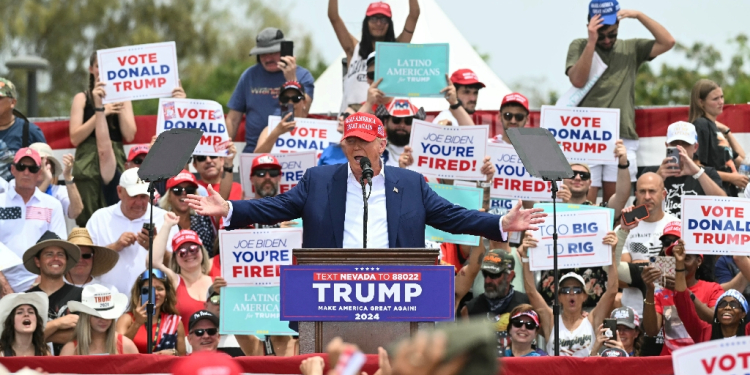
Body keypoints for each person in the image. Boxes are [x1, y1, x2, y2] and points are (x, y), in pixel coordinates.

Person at [186, 113, 547, 249]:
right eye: (350, 140)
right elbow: (275, 206)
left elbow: (455, 217)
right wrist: (229, 207)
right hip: (330, 294)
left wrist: (501, 223)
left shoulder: (411, 184)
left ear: (381, 144)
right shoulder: (319, 180)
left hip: (396, 296)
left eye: (363, 141)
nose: (356, 146)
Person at [566, 1, 675, 204]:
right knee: (581, 203)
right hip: (587, 137)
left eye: (612, 34)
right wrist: (591, 42)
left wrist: (639, 15)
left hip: (622, 137)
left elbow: (668, 42)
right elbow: (577, 80)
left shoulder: (630, 48)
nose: (607, 40)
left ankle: (612, 237)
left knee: (615, 206)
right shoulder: (580, 45)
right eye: (602, 34)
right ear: (590, 26)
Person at [518, 231, 619, 357]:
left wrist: (612, 253)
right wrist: (525, 257)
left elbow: (612, 291)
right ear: (559, 297)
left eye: (577, 290)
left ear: (584, 296)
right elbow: (531, 292)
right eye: (565, 290)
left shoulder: (592, 320)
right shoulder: (551, 320)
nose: (571, 294)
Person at [69, 53, 136, 226]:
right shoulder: (82, 98)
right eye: (99, 66)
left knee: (116, 203)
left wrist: (118, 99)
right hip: (88, 161)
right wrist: (102, 111)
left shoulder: (124, 98)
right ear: (91, 69)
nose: (103, 70)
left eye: (109, 66)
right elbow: (75, 137)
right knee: (87, 216)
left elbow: (129, 134)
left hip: (114, 157)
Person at [226, 28, 315, 153]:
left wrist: (292, 80)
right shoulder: (249, 75)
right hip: (253, 152)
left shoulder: (303, 76)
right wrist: (223, 151)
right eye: (263, 54)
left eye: (272, 53)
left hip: (289, 149)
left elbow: (303, 114)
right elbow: (233, 119)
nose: (268, 59)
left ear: (284, 51)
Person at [86, 168, 167, 295]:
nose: (139, 202)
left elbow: (176, 265)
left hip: (150, 300)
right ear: (119, 191)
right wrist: (114, 247)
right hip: (107, 300)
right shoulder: (99, 218)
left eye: (144, 196)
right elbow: (85, 261)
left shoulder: (164, 219)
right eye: (134, 196)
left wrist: (155, 247)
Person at [329, 0, 419, 111]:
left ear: (390, 24)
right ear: (366, 22)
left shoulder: (396, 49)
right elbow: (333, 17)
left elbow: (414, 15)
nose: (378, 23)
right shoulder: (354, 49)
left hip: (383, 120)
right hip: (351, 120)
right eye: (374, 18)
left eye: (383, 19)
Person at [0, 148, 66, 292]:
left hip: (41, 285)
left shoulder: (53, 205)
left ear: (39, 173)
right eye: (21, 167)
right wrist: (3, 285)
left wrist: (38, 285)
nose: (26, 172)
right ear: (13, 170)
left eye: (32, 168)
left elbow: (58, 246)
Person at [671, 241, 750, 342]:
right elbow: (683, 302)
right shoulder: (702, 332)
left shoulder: (748, 333)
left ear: (743, 313)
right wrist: (679, 263)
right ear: (716, 312)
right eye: (722, 304)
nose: (727, 307)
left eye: (734, 304)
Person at [647, 121, 725, 218]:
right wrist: (657, 179)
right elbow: (639, 210)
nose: (680, 148)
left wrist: (698, 173)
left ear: (695, 147)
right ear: (667, 146)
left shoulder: (708, 173)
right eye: (675, 143)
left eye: (685, 144)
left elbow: (724, 206)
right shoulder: (650, 174)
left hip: (695, 231)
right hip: (663, 232)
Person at [23, 231, 82, 355]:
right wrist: (58, 323)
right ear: (37, 261)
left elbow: (87, 334)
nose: (56, 258)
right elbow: (16, 338)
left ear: (66, 261)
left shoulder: (82, 295)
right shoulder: (23, 299)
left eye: (60, 254)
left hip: (73, 368)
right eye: (49, 254)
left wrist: (36, 335)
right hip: (36, 369)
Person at [689, 79, 748, 196]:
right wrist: (731, 177)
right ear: (701, 102)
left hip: (729, 194)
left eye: (722, 97)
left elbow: (743, 161)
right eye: (715, 99)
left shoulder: (715, 128)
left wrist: (727, 131)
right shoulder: (701, 125)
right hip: (714, 196)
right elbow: (695, 167)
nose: (721, 102)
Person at [152, 221, 214, 332]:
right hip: (183, 347)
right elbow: (153, 263)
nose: (189, 254)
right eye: (182, 252)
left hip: (215, 345)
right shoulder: (174, 280)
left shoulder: (216, 282)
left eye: (193, 249)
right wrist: (166, 225)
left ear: (202, 251)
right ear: (175, 257)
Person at [116, 269, 185, 355]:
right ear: (139, 293)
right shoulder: (126, 319)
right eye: (149, 289)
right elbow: (117, 350)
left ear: (167, 293)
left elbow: (182, 358)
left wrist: (174, 353)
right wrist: (137, 323)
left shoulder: (175, 322)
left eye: (160, 289)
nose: (155, 293)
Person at [60, 284, 138, 355]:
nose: (103, 320)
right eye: (97, 316)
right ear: (86, 317)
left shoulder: (126, 345)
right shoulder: (70, 350)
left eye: (108, 315)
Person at [621, 173, 679, 263]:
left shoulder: (678, 225)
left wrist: (637, 262)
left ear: (663, 194)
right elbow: (623, 270)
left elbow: (680, 264)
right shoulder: (624, 228)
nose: (647, 197)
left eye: (652, 191)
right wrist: (662, 262)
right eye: (642, 191)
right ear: (636, 195)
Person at [0, 78, 47, 182]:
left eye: (0, 98)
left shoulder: (30, 131)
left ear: (13, 102)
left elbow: (46, 170)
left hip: (19, 196)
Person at [158, 171, 215, 256]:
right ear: (169, 196)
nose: (184, 193)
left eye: (189, 190)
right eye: (178, 190)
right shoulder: (161, 221)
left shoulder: (204, 219)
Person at [29, 142, 83, 220]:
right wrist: (47, 181)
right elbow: (28, 208)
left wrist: (67, 176)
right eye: (36, 163)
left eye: (45, 163)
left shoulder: (59, 191)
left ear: (52, 168)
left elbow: (76, 212)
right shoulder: (18, 187)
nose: (41, 168)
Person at [253, 81, 310, 153]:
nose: (290, 102)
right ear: (280, 102)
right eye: (285, 99)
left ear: (304, 102)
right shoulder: (270, 129)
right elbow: (255, 159)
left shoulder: (317, 128)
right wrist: (276, 133)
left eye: (296, 98)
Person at [0, 292, 50, 357]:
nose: (26, 314)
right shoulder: (1, 353)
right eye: (20, 312)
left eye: (31, 312)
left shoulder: (44, 353)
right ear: (11, 321)